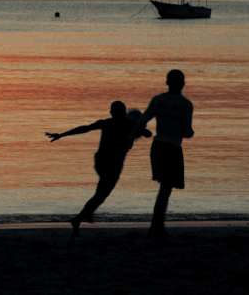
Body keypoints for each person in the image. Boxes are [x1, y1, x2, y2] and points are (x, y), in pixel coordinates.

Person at [46, 101, 152, 236]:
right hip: (113, 165)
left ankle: (85, 215)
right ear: (124, 113)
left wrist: (61, 134)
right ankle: (79, 218)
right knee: (101, 195)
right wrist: (140, 127)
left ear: (111, 113)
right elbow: (148, 134)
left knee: (100, 193)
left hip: (100, 162)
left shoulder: (106, 122)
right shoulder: (129, 125)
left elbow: (84, 128)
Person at [128, 70, 194, 240]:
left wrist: (130, 138)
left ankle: (159, 226)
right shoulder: (186, 104)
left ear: (167, 82)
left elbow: (143, 120)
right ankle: (154, 228)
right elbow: (187, 133)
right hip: (172, 147)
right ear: (183, 83)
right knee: (165, 190)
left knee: (164, 189)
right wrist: (189, 131)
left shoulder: (158, 100)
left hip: (157, 147)